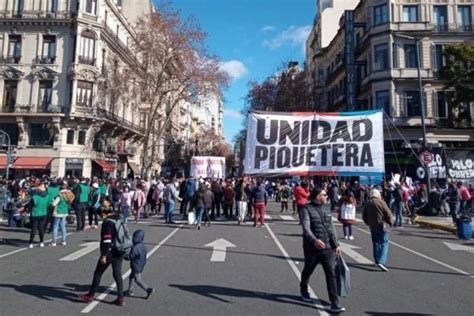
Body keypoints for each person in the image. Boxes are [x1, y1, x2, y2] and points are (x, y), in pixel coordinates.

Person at [299, 187, 345, 313]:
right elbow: (306, 227)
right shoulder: (306, 209)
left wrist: (336, 244)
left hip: (328, 248)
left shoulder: (327, 208)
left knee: (331, 273)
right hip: (312, 248)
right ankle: (303, 288)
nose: (326, 197)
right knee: (308, 269)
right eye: (324, 195)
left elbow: (331, 227)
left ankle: (334, 302)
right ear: (318, 196)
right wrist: (314, 240)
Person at [79, 208, 127, 306]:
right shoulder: (119, 219)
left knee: (98, 273)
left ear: (104, 214)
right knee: (117, 274)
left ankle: (90, 295)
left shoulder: (107, 223)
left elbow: (107, 240)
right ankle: (120, 298)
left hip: (110, 251)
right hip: (120, 250)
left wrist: (103, 255)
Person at [362, 189, 394, 272]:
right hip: (382, 225)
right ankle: (382, 261)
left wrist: (368, 223)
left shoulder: (367, 203)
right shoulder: (381, 202)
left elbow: (364, 216)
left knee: (375, 243)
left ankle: (377, 260)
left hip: (372, 226)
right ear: (378, 195)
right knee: (384, 243)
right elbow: (388, 213)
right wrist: (391, 223)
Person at [124, 229, 155, 298]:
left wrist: (125, 256)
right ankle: (130, 290)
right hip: (141, 264)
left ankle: (148, 289)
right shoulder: (143, 246)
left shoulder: (136, 247)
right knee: (131, 276)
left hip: (136, 265)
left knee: (137, 279)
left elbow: (130, 256)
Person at [28, 183, 52, 248]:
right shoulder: (48, 196)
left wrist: (29, 211)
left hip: (35, 213)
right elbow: (48, 204)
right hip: (43, 213)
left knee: (34, 229)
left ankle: (31, 243)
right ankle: (41, 242)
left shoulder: (35, 197)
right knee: (41, 228)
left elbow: (30, 206)